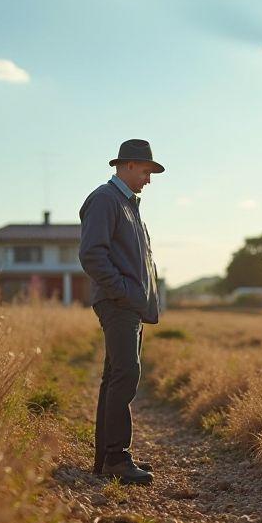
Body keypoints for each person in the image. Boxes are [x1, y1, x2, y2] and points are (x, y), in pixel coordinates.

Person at [78, 139, 164, 485]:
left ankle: (107, 457)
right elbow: (92, 255)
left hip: (128, 304)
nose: (148, 179)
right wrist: (125, 293)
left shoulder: (128, 205)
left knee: (117, 376)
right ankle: (116, 457)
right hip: (119, 304)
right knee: (127, 374)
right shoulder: (105, 199)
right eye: (145, 171)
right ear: (127, 166)